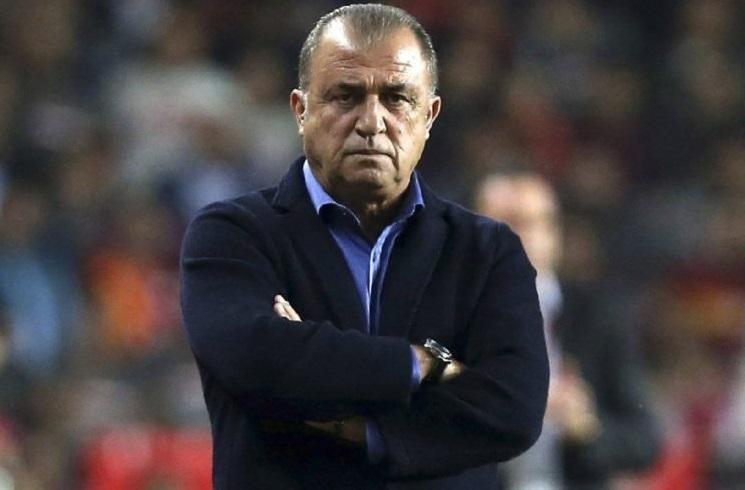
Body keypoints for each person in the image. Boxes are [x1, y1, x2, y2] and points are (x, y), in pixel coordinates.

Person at [180, 4, 548, 489]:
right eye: (345, 96)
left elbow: (514, 408)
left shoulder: (488, 251)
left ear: (429, 115)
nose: (372, 121)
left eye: (397, 98)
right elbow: (252, 357)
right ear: (301, 110)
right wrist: (426, 364)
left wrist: (357, 424)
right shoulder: (232, 233)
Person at [475, 172, 659, 489]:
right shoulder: (445, 319)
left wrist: (586, 427)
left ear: (553, 233)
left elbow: (645, 440)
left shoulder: (597, 317)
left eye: (525, 222)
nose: (512, 237)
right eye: (497, 225)